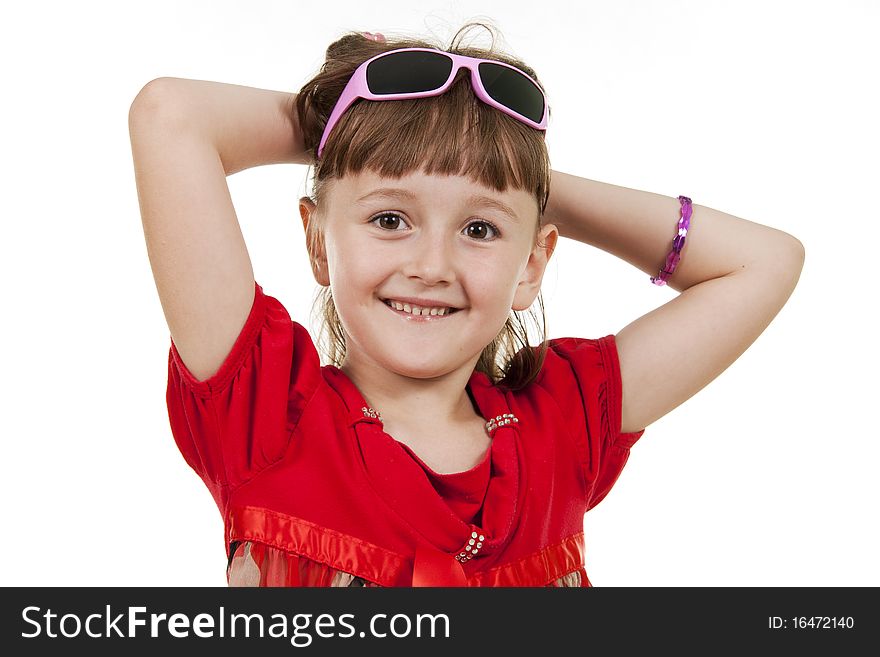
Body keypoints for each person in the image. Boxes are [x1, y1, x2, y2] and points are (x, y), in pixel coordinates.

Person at [128, 24, 805, 587]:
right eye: (390, 218)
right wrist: (379, 130)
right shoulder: (268, 416)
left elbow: (765, 262)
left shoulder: (564, 424)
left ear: (531, 264)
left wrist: (514, 169)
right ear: (317, 240)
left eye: (480, 229)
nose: (431, 266)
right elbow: (170, 115)